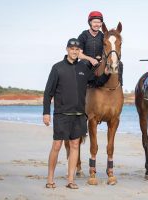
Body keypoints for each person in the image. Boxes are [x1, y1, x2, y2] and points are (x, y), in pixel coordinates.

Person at [43, 38, 110, 189]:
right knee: (57, 146)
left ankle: (70, 180)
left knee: (75, 145)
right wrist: (46, 112)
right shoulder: (57, 68)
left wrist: (105, 74)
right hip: (62, 114)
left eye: (77, 49)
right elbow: (48, 93)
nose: (74, 51)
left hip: (80, 114)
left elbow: (96, 82)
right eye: (72, 48)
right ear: (67, 49)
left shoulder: (83, 68)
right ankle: (50, 179)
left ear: (80, 52)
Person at [78, 11, 123, 85]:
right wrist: (91, 59)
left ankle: (119, 86)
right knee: (83, 64)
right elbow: (79, 54)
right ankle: (81, 88)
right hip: (87, 62)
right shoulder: (83, 36)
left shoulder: (103, 36)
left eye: (99, 22)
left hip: (100, 62)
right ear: (90, 23)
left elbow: (108, 50)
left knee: (119, 64)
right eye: (95, 22)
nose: (97, 24)